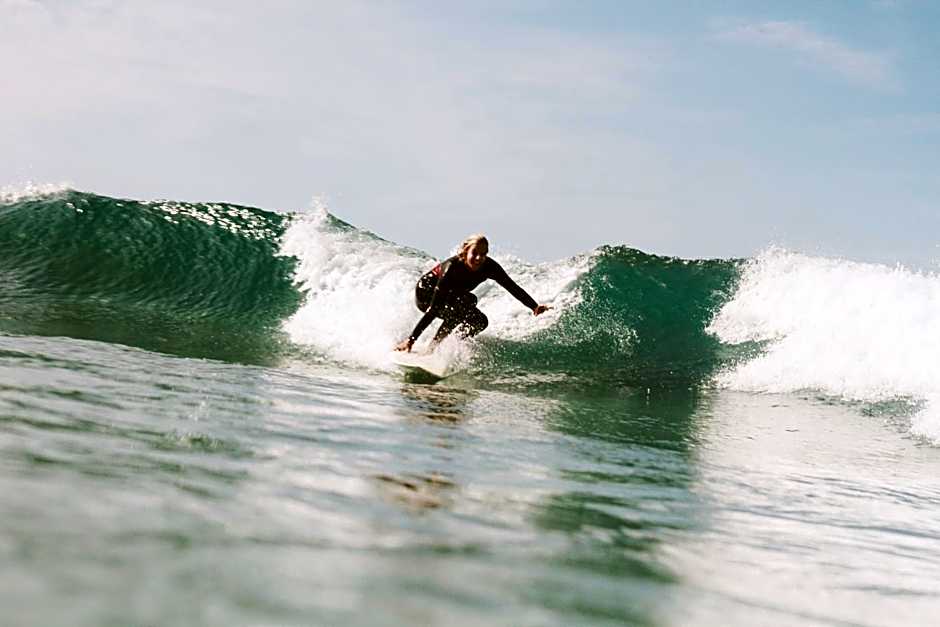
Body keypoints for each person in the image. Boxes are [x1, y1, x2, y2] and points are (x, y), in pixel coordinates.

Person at [395, 234, 551, 352]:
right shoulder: (452, 268)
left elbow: (512, 287)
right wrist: (411, 340)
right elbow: (434, 308)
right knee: (462, 307)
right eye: (474, 253)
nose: (478, 258)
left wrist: (534, 306)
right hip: (426, 294)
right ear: (465, 251)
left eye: (483, 254)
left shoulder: (489, 267)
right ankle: (431, 347)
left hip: (452, 296)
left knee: (479, 320)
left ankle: (448, 345)